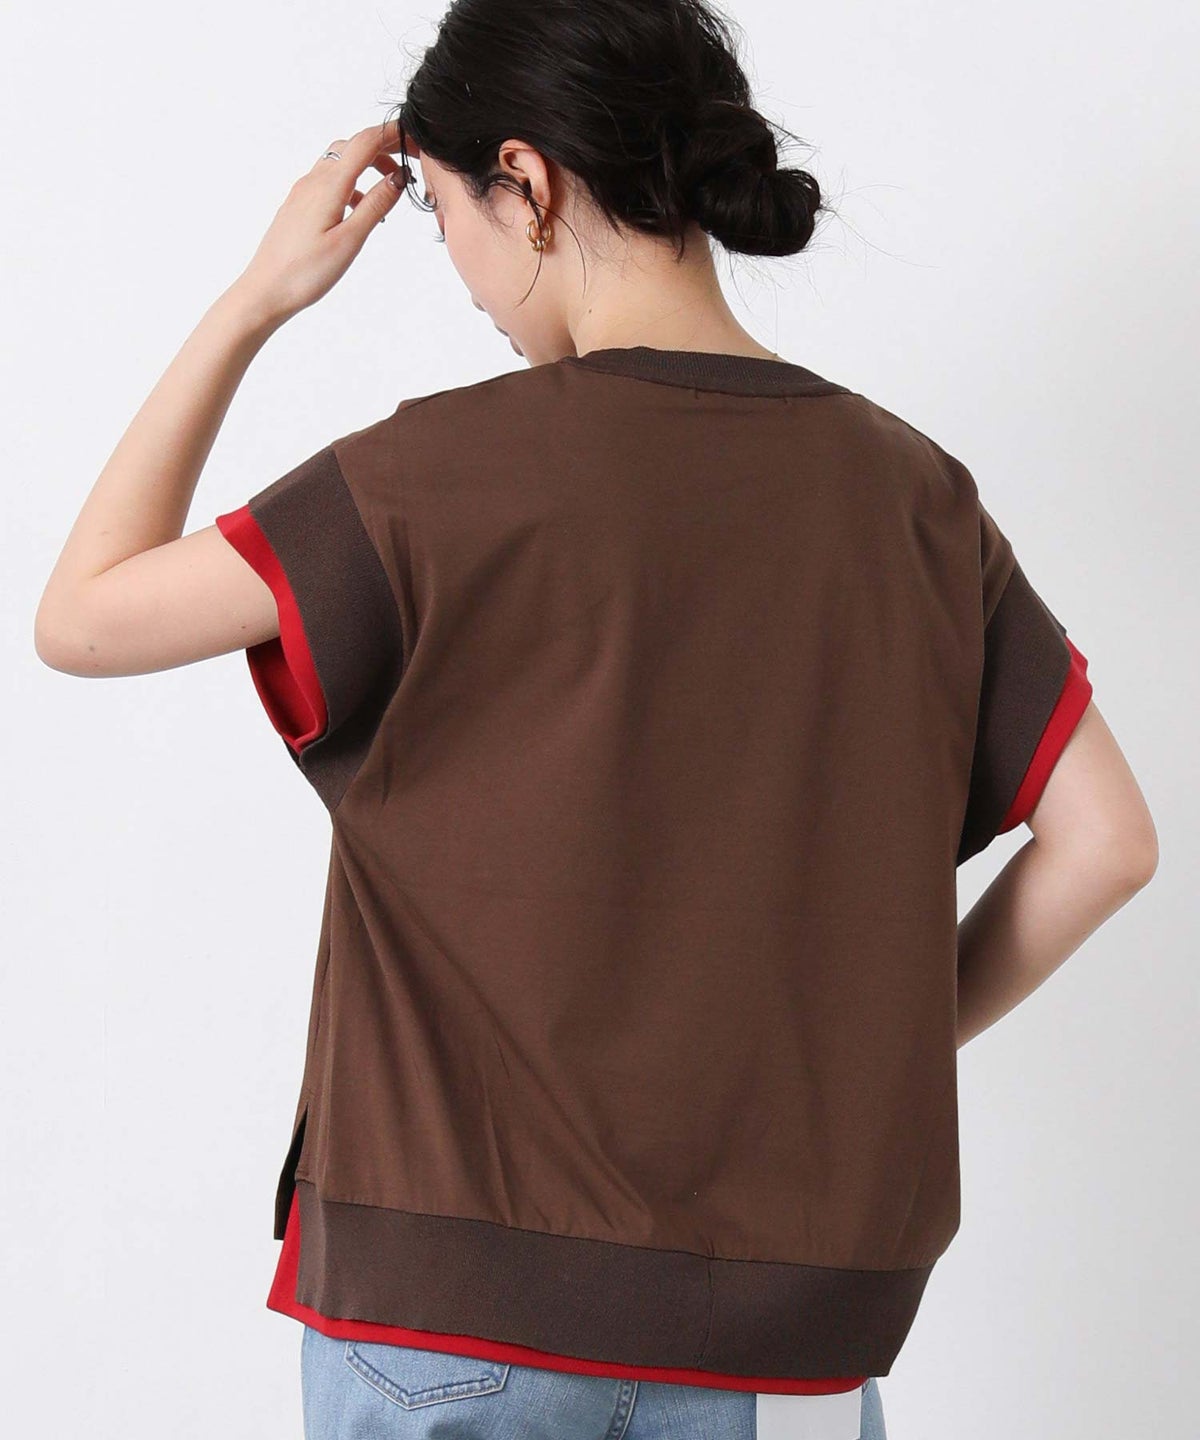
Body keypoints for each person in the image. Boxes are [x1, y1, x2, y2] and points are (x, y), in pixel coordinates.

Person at [34, 1, 1158, 1436]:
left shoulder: (431, 477)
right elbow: (1107, 841)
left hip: (456, 1317)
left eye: (444, 218)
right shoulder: (917, 499)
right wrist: (874, 1035)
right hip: (792, 1351)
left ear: (528, 183)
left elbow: (84, 615)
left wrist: (259, 297)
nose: (466, 282)